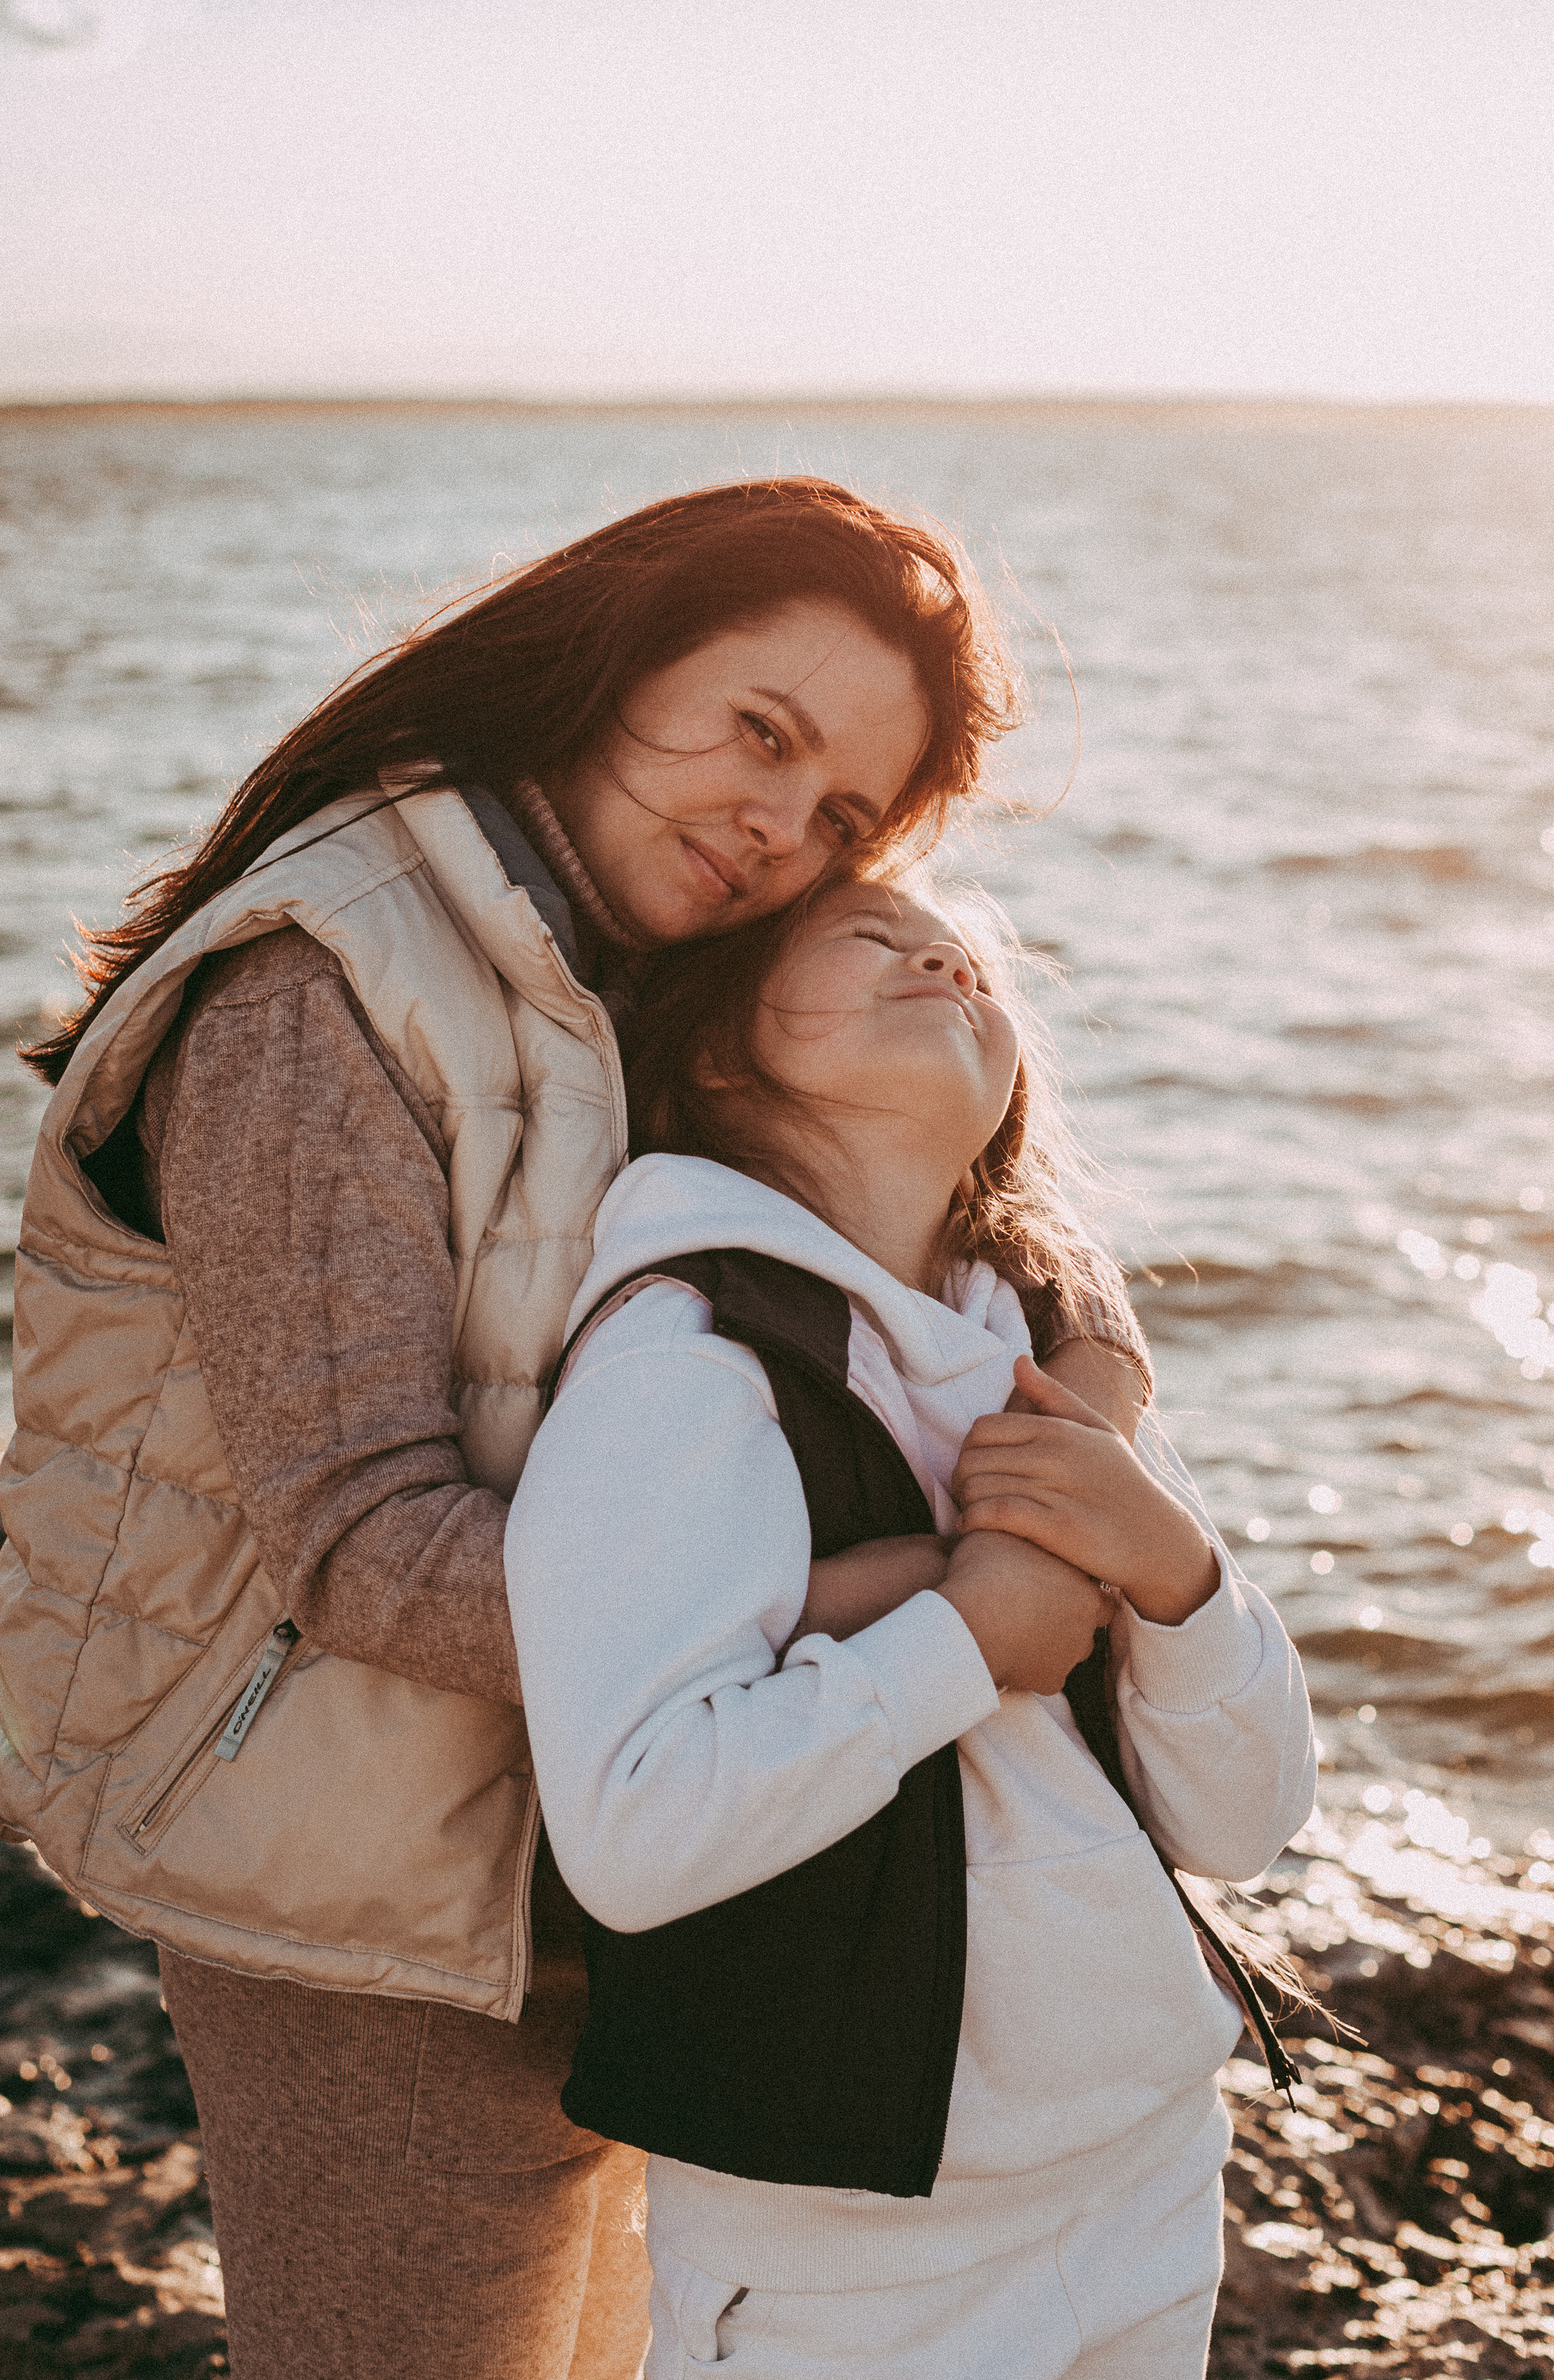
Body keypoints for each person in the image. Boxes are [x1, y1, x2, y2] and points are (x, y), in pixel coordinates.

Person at [0, 480, 1156, 2380]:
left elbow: (991, 1179)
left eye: (842, 817)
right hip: (358, 1870)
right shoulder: (326, 981)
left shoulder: (651, 940)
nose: (776, 831)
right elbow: (366, 1545)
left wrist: (1084, 1414)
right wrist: (904, 1601)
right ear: (615, 651)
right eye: (758, 734)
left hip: (654, 1813)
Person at [506, 869, 1317, 2380]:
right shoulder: (686, 1359)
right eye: (870, 936)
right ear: (715, 1053)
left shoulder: (1046, 1360)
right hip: (850, 2258)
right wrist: (962, 1638)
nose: (942, 951)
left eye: (958, 949)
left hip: (1141, 2164)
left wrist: (1173, 1567)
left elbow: (1244, 1817)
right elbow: (634, 1825)